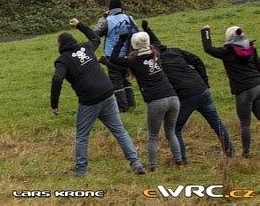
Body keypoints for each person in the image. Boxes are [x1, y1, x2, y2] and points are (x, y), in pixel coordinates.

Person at [51, 18, 145, 177]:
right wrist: (79, 25)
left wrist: (54, 103)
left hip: (89, 100)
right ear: (73, 41)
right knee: (119, 130)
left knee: (81, 136)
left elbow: (57, 79)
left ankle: (81, 172)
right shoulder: (86, 47)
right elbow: (95, 37)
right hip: (108, 92)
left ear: (60, 46)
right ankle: (136, 163)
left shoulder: (62, 60)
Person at [142, 20, 234, 163]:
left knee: (175, 129)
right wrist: (204, 81)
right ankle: (230, 151)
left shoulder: (156, 64)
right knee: (216, 122)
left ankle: (182, 159)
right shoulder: (175, 51)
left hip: (186, 97)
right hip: (202, 91)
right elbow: (197, 60)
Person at [108, 31, 182, 171]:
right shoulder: (157, 53)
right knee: (170, 133)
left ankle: (152, 166)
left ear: (134, 45)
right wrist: (148, 29)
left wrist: (121, 41)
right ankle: (179, 160)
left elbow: (113, 58)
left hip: (156, 101)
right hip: (173, 97)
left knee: (153, 136)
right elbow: (157, 42)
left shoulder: (133, 61)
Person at [201, 25, 260, 158]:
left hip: (244, 91)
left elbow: (208, 48)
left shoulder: (227, 52)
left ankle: (245, 154)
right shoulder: (251, 48)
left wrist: (205, 32)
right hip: (258, 86)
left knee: (245, 124)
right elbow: (258, 66)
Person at [94, 0, 137, 112]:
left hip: (112, 55)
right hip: (128, 55)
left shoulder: (107, 20)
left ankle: (123, 108)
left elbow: (96, 33)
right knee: (127, 79)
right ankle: (131, 104)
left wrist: (103, 17)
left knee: (116, 81)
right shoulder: (129, 17)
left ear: (110, 9)